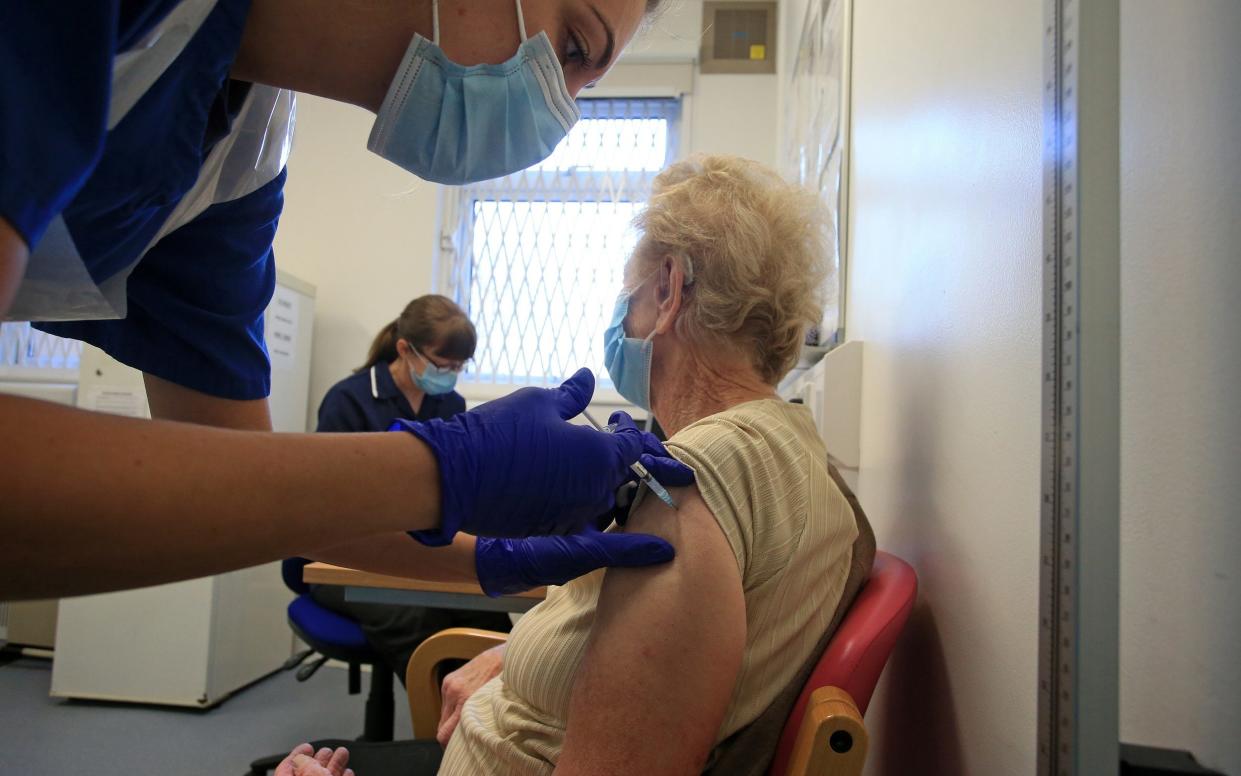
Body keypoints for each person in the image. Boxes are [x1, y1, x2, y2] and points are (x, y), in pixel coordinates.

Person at [0, 0, 678, 601]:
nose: (559, 113)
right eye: (571, 49)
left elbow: (244, 499)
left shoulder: (239, 156)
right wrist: (438, 472)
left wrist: (504, 561)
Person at [274, 154, 870, 775]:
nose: (620, 314)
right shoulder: (798, 450)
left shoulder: (697, 476)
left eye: (627, 294)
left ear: (667, 290)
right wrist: (512, 642)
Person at [309, 296, 512, 680]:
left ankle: (490, 723)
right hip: (346, 557)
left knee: (487, 616)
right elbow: (330, 500)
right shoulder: (350, 399)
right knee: (419, 620)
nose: (450, 374)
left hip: (421, 549)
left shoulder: (449, 403)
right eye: (442, 364)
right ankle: (442, 725)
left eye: (459, 366)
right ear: (405, 349)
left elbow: (457, 486)